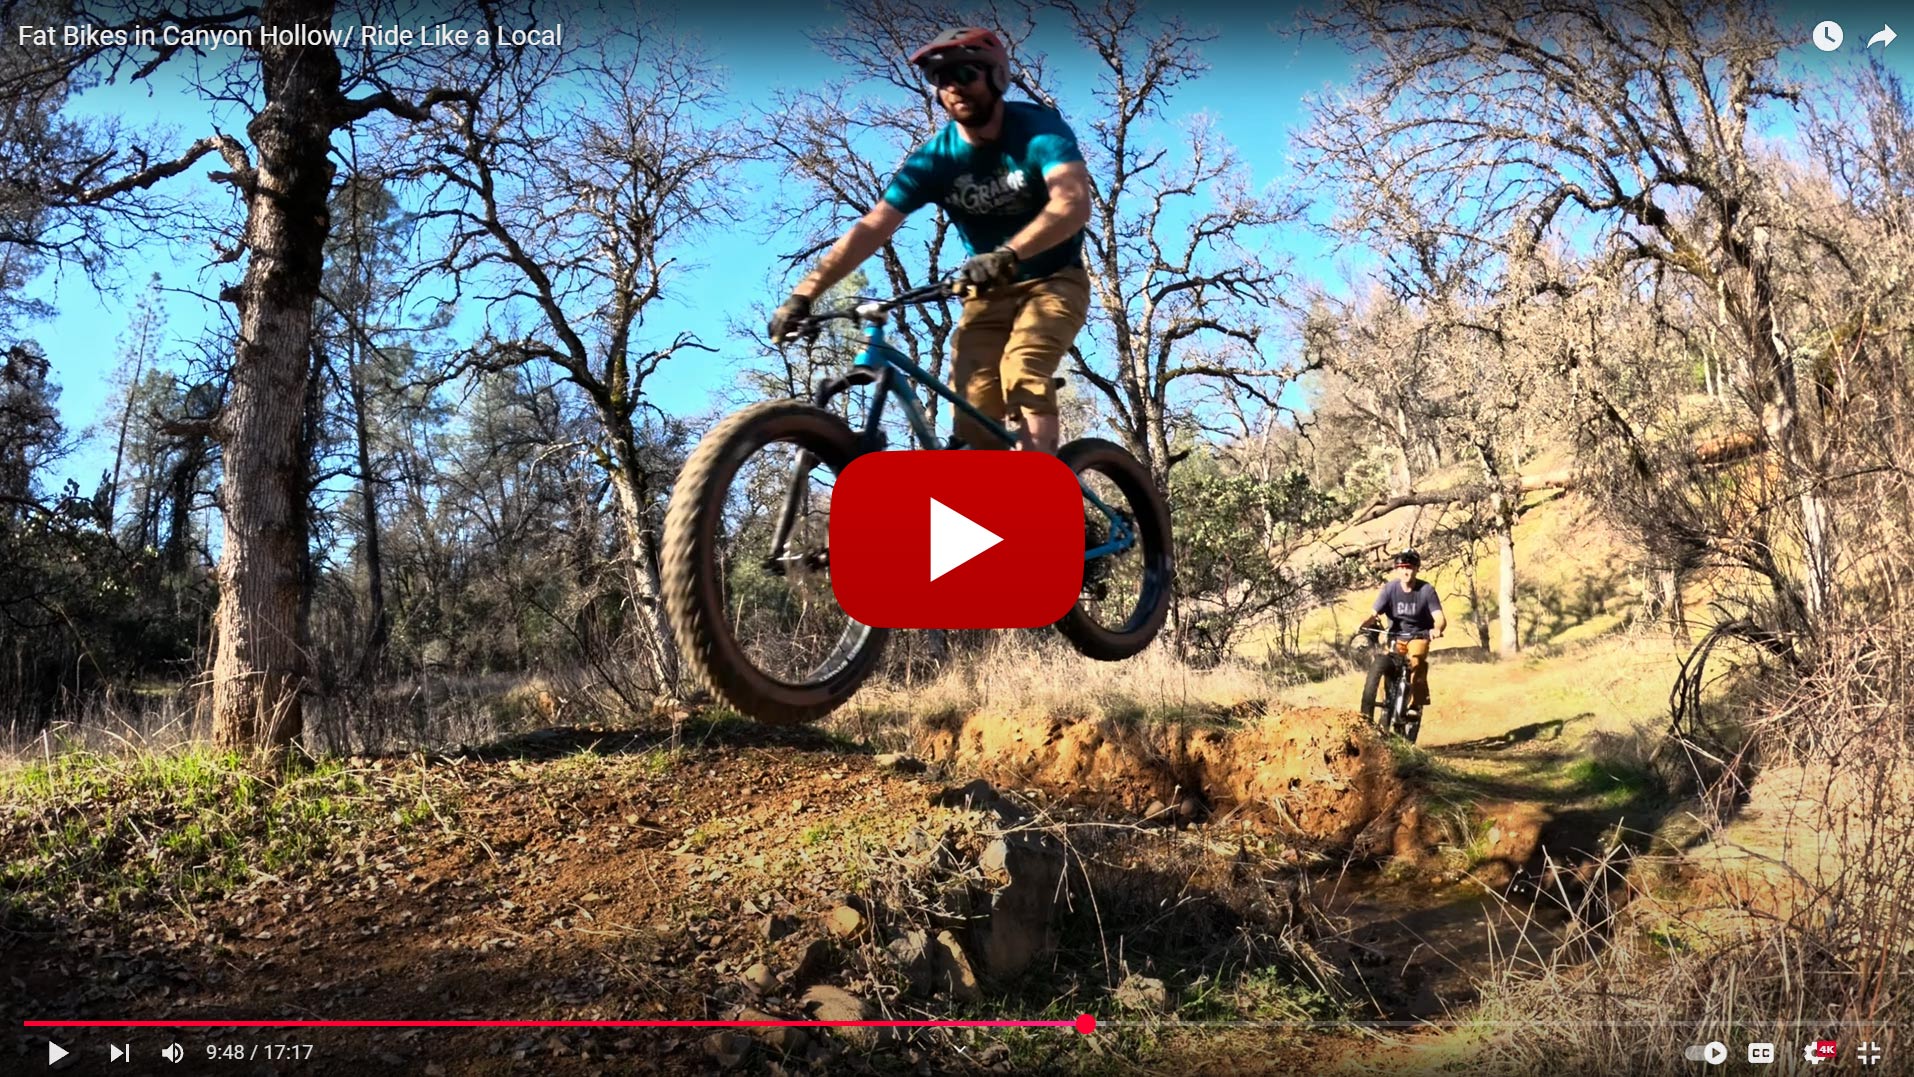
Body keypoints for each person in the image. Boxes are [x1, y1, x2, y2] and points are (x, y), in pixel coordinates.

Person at [765, 26, 1093, 454]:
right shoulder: (935, 159)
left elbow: (1073, 203)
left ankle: (1044, 503)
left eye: (966, 74)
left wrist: (1008, 253)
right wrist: (803, 295)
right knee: (972, 416)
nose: (954, 87)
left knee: (1024, 370)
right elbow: (873, 227)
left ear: (996, 76)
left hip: (1054, 279)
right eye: (941, 79)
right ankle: (996, 515)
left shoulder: (1036, 130)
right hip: (987, 293)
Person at [1362, 550, 1447, 723]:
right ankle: (1384, 704)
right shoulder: (1389, 589)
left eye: (1409, 567)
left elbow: (1440, 618)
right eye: (1401, 568)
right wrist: (1366, 623)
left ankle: (1416, 704)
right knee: (1382, 664)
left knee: (1416, 660)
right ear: (1396, 570)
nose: (1405, 572)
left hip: (1419, 635)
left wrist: (1436, 629)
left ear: (1416, 569)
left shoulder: (1426, 590)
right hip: (1395, 636)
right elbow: (1374, 613)